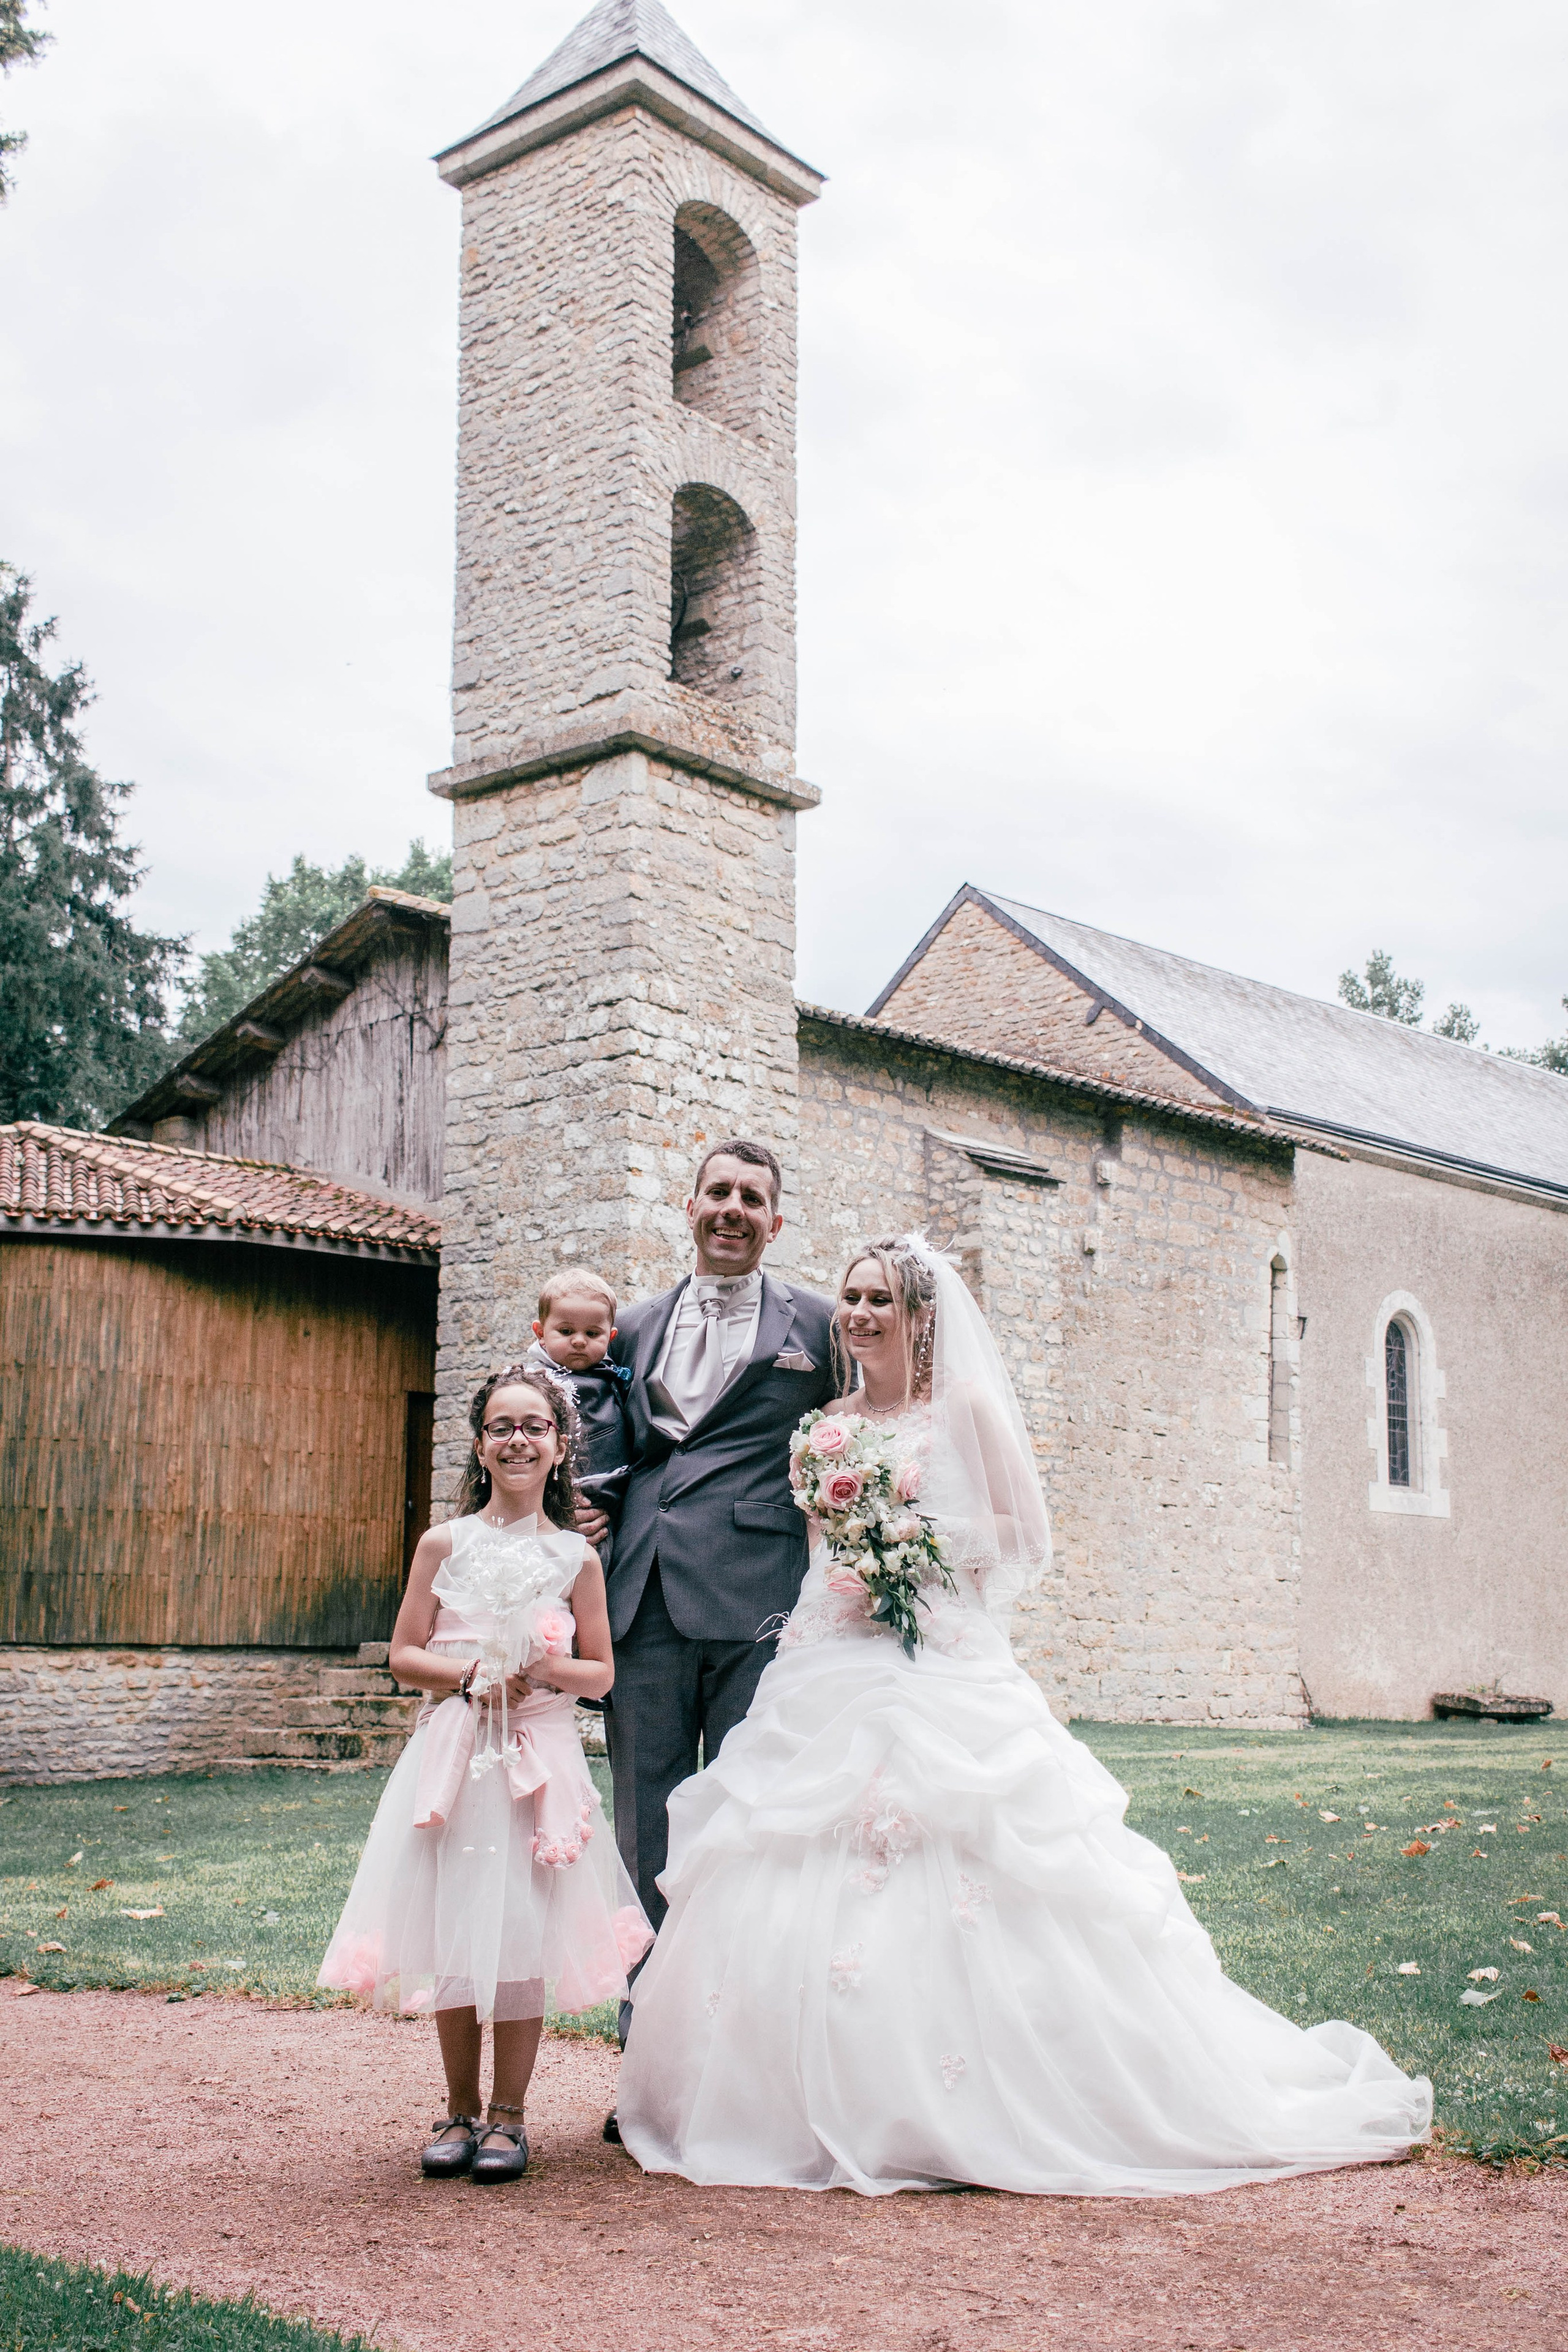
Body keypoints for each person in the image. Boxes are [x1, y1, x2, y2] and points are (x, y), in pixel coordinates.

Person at [614, 1234, 1433, 2196]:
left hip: (940, 1662)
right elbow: (816, 1552)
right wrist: (843, 1585)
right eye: (854, 1297)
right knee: (787, 1852)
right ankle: (787, 2098)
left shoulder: (961, 1409)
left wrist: (914, 1544)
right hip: (828, 1659)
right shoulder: (826, 1423)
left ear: (924, 1317)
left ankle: (976, 2100)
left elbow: (1020, 1536)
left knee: (958, 1850)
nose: (865, 1314)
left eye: (885, 1299)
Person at [317, 1364, 652, 2183]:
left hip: (540, 1762)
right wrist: (469, 1676)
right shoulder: (445, 1542)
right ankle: (458, 2109)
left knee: (523, 1934)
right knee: (461, 1930)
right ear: (480, 1445)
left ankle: (510, 2117)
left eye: (534, 1426)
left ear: (560, 1444)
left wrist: (543, 1667)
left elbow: (601, 1674)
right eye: (502, 1427)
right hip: (458, 1756)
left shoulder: (576, 1557)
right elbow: (404, 1655)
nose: (518, 1440)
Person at [595, 1139, 838, 2060]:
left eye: (753, 1198)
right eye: (718, 1193)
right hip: (644, 1595)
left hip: (760, 1601)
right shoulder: (628, 1325)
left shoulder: (818, 1326)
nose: (733, 1209)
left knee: (746, 1825)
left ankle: (739, 2057)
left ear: (776, 1221)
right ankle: (647, 2052)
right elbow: (603, 1442)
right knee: (645, 1832)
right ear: (688, 1206)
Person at [525, 1266, 633, 1574]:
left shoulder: (612, 1376)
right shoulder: (535, 1385)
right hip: (566, 1501)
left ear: (610, 1337)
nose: (579, 1342)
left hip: (619, 1497)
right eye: (566, 1331)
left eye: (592, 1333)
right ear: (540, 1333)